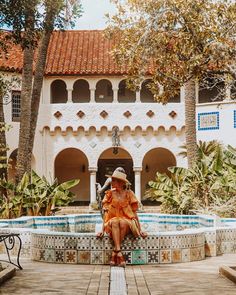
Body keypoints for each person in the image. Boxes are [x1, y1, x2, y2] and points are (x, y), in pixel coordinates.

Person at [97, 169, 147, 267]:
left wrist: (140, 230)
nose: (112, 182)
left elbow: (134, 213)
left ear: (120, 182)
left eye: (114, 180)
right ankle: (118, 253)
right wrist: (102, 230)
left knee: (122, 222)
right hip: (112, 222)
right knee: (116, 221)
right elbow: (106, 214)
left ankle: (115, 252)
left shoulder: (129, 194)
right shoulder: (110, 194)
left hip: (127, 221)